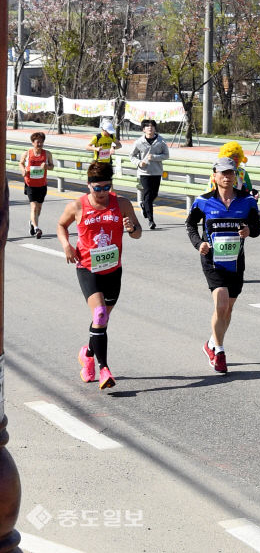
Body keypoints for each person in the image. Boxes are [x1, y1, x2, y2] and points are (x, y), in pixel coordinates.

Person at [56, 159, 142, 391]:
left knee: (100, 322)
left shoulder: (122, 204)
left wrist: (131, 228)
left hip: (113, 270)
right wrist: (66, 245)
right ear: (88, 186)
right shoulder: (78, 206)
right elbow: (61, 226)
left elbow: (138, 234)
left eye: (107, 187)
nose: (103, 192)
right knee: (101, 314)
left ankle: (88, 353)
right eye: (98, 188)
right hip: (88, 269)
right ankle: (104, 368)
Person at [185, 156, 260, 376]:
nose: (227, 177)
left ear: (236, 175)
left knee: (227, 309)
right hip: (212, 260)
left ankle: (211, 343)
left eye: (231, 173)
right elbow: (190, 224)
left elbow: (258, 227)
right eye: (223, 173)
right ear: (214, 176)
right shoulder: (203, 201)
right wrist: (198, 244)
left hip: (235, 261)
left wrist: (249, 231)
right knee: (220, 304)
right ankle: (219, 352)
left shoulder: (247, 201)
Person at [129, 118, 170, 230]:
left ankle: (143, 206)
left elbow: (166, 155)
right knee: (147, 195)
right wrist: (139, 162)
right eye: (147, 126)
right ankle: (151, 220)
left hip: (157, 172)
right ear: (143, 129)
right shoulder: (139, 142)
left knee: (154, 195)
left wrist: (155, 157)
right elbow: (131, 156)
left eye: (152, 126)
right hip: (144, 172)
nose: (150, 128)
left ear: (155, 128)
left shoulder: (161, 141)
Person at [20, 130, 55, 238]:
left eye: (41, 142)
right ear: (32, 142)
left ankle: (32, 222)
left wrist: (47, 167)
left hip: (42, 184)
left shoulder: (47, 153)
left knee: (39, 209)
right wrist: (23, 170)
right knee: (34, 207)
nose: (39, 144)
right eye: (37, 142)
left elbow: (52, 166)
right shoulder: (27, 153)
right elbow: (21, 163)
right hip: (30, 184)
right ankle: (36, 228)